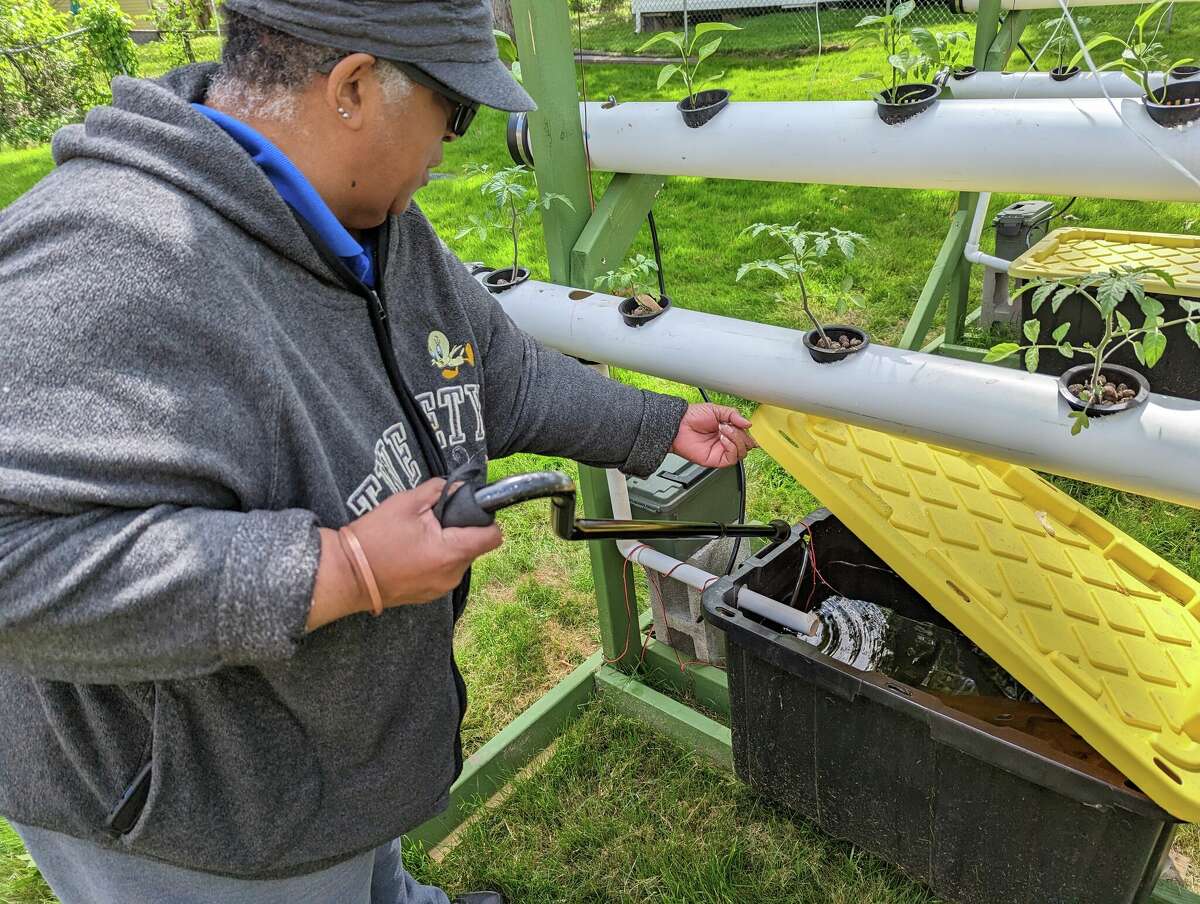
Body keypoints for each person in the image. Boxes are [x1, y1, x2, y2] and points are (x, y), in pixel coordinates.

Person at [0, 1, 758, 902]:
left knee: (368, 869)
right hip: (204, 824)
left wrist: (649, 429)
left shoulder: (373, 224)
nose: (451, 144)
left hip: (329, 767)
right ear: (355, 87)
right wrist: (346, 567)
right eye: (454, 109)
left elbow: (490, 373)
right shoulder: (108, 260)